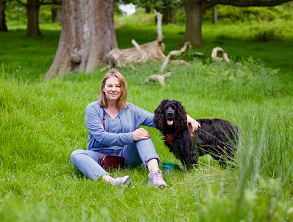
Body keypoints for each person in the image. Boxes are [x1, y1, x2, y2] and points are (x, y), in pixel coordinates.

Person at [71, 69, 200, 188]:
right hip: (99, 156)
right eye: (109, 86)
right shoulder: (93, 109)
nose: (113, 89)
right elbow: (101, 137)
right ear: (103, 88)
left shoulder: (131, 109)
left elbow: (158, 119)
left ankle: (155, 175)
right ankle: (111, 181)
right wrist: (131, 136)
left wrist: (186, 117)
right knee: (76, 155)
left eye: (118, 86)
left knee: (142, 134)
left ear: (122, 89)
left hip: (126, 156)